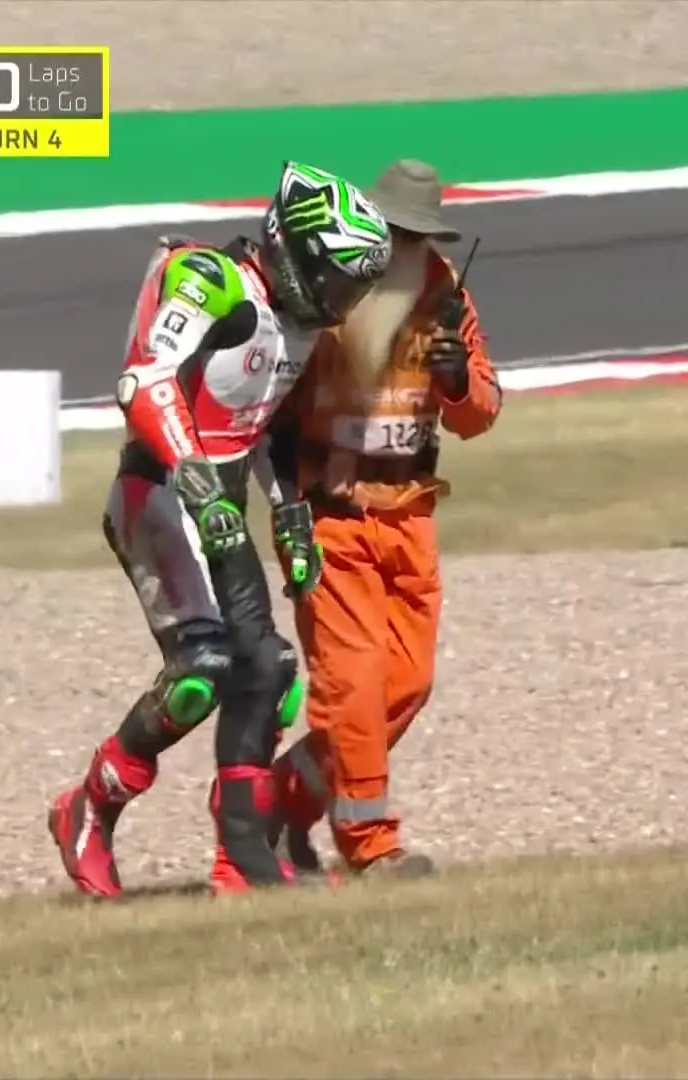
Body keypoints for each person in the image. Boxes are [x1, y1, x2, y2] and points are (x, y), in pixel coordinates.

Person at [48, 161, 393, 898]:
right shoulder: (210, 280)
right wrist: (199, 484)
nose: (341, 302)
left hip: (222, 510)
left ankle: (242, 863)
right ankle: (89, 807)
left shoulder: (299, 325)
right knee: (202, 671)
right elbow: (144, 382)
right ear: (295, 252)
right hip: (158, 494)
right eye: (335, 281)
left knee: (268, 670)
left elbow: (261, 426)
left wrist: (289, 513)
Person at [250, 159, 503, 883]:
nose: (404, 250)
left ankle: (275, 802)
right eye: (396, 234)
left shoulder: (447, 295)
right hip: (331, 519)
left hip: (410, 517)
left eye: (418, 238)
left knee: (406, 683)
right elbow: (268, 404)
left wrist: (456, 378)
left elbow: (481, 412)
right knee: (353, 686)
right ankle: (371, 846)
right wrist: (285, 505)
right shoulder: (326, 294)